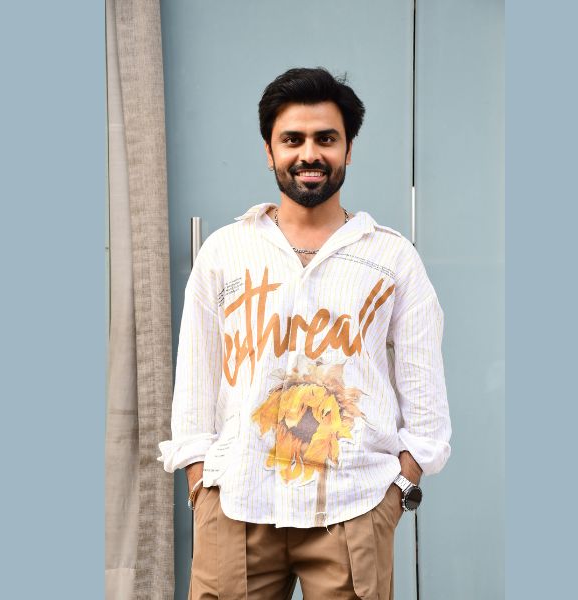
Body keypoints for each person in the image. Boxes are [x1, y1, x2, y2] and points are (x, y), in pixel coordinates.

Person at [158, 67, 451, 600]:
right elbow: (194, 381)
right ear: (269, 150)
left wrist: (399, 489)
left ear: (348, 149)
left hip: (353, 505)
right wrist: (200, 483)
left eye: (326, 139)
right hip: (237, 501)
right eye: (292, 139)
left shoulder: (391, 258)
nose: (309, 154)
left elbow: (426, 395)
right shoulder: (225, 252)